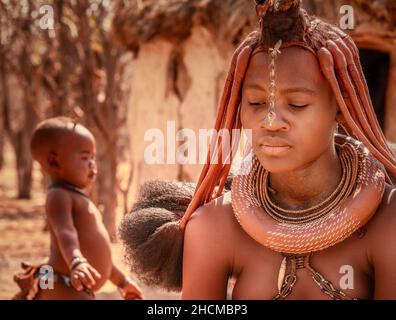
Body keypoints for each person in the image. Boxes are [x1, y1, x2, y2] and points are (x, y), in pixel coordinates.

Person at [119, 0, 396, 300]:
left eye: (297, 104)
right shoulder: (214, 228)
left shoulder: (387, 220)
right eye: (256, 103)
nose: (271, 121)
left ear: (340, 107)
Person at [13, 117, 143, 300]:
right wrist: (76, 262)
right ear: (54, 162)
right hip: (64, 283)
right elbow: (65, 233)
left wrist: (122, 281)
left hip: (75, 284)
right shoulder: (58, 196)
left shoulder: (78, 198)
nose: (92, 163)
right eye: (84, 157)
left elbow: (100, 257)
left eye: (93, 157)